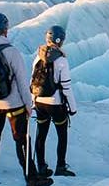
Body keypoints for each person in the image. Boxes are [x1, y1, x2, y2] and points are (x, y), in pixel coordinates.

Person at [0, 12, 50, 186]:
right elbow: (23, 82)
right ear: (5, 29)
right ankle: (31, 180)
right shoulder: (12, 52)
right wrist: (28, 105)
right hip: (14, 104)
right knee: (22, 141)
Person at [31, 25, 78, 177]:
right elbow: (66, 86)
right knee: (62, 135)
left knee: (41, 134)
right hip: (55, 103)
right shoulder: (61, 59)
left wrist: (33, 102)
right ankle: (60, 167)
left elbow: (33, 81)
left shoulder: (38, 56)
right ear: (60, 41)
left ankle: (41, 167)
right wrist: (72, 107)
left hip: (39, 102)